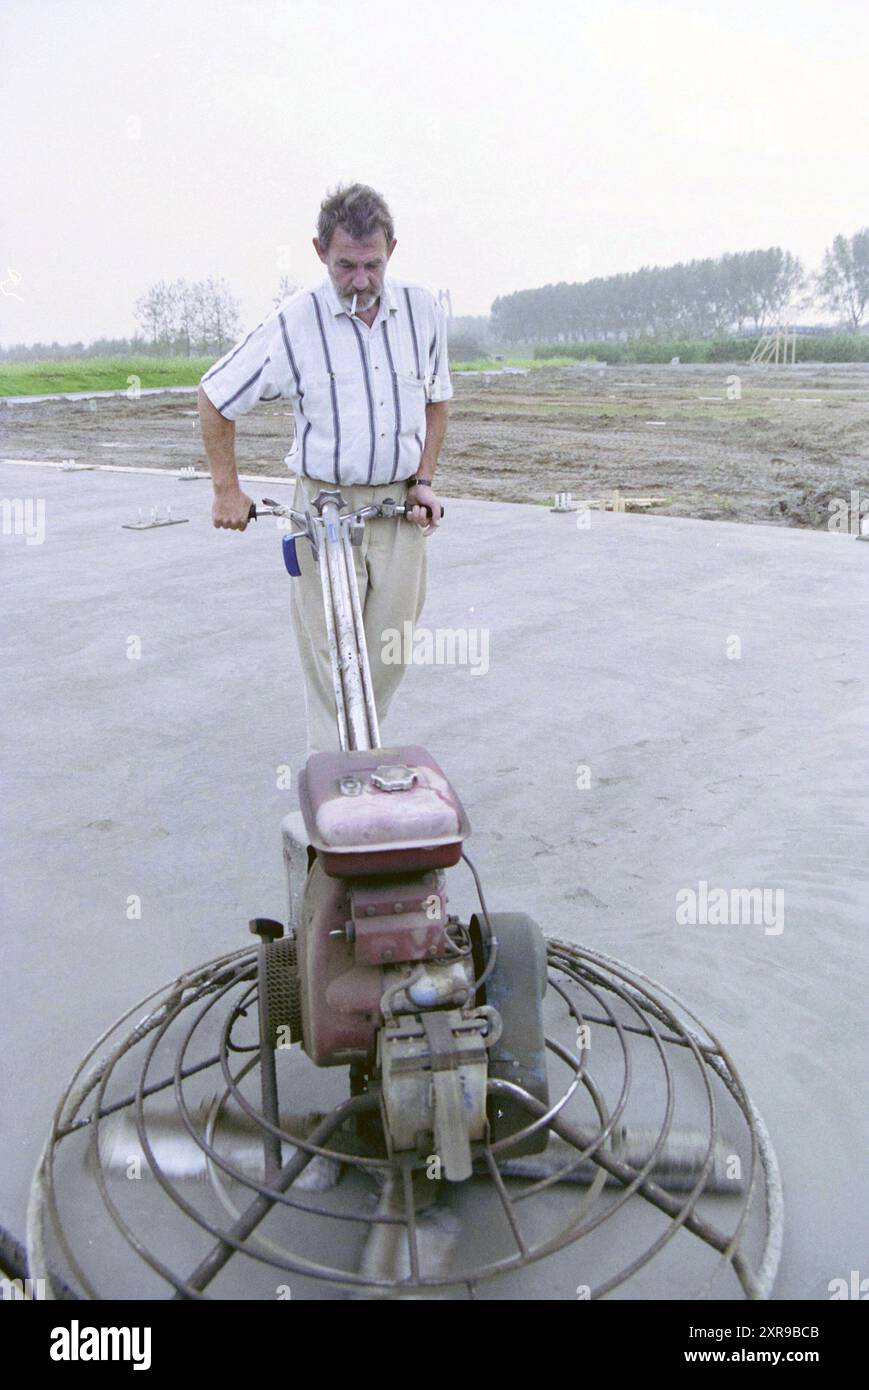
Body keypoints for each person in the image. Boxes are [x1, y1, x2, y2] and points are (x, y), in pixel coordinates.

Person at [197, 183, 452, 754]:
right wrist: (226, 491)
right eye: (345, 265)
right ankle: (335, 814)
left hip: (398, 510)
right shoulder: (295, 322)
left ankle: (356, 763)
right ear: (319, 253)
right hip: (323, 512)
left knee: (388, 654)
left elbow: (437, 397)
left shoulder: (422, 311)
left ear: (392, 249)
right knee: (333, 666)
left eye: (372, 265)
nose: (360, 281)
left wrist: (425, 479)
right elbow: (215, 396)